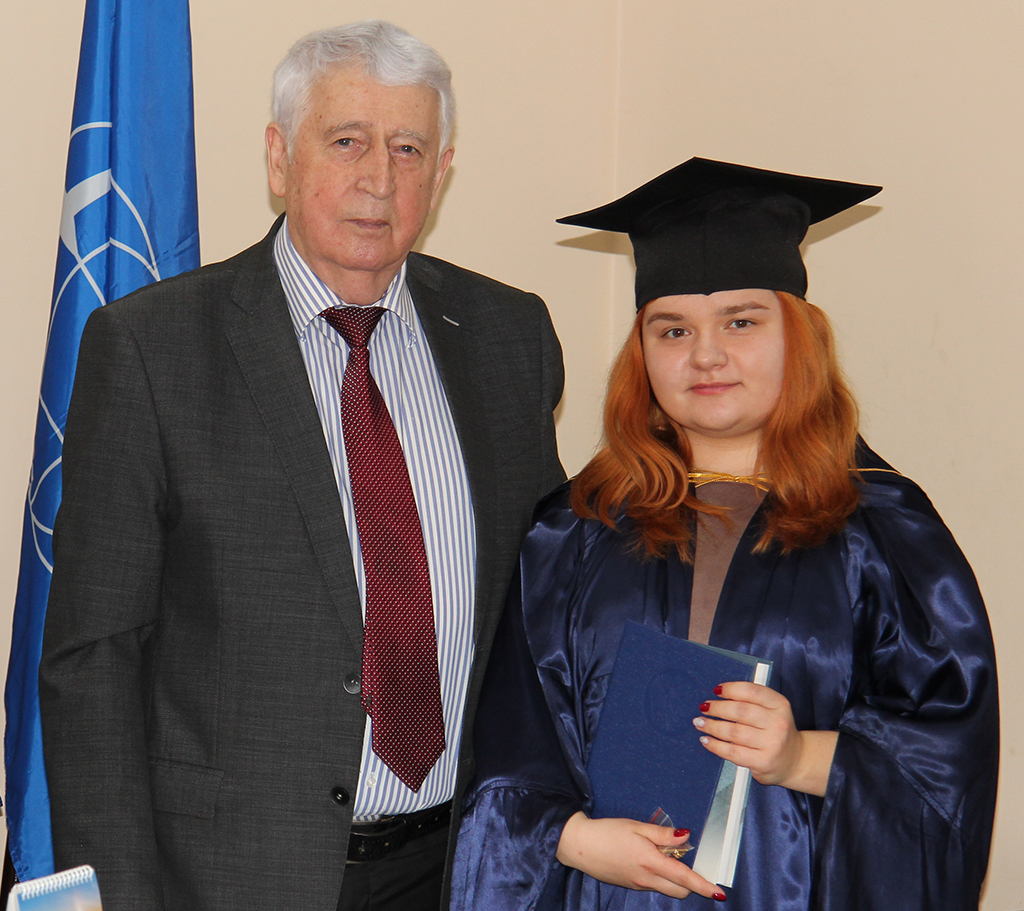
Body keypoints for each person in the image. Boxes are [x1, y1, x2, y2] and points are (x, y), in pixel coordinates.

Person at [38, 20, 564, 911]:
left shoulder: (511, 338)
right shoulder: (153, 348)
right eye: (347, 141)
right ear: (280, 159)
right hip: (230, 878)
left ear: (441, 173)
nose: (379, 178)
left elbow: (550, 608)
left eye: (408, 149)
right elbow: (93, 661)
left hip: (459, 869)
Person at [451, 158, 998, 910]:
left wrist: (798, 756)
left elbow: (945, 764)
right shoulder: (573, 531)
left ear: (799, 336)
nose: (705, 354)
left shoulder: (882, 531)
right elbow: (509, 752)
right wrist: (573, 840)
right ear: (642, 353)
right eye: (672, 330)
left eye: (741, 322)